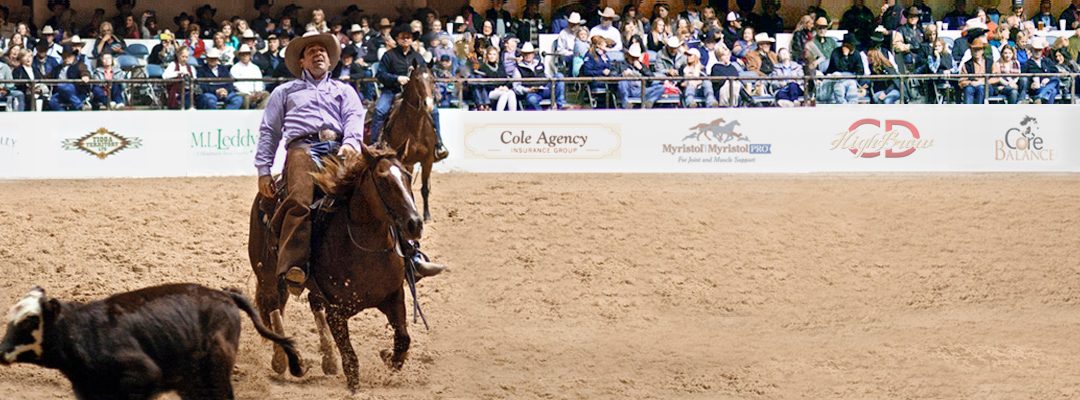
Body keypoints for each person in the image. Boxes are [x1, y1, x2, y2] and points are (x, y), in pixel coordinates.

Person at [256, 31, 445, 294]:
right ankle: (296, 265)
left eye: (322, 51)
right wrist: (264, 171)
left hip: (339, 147)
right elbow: (270, 131)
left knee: (382, 186)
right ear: (301, 61)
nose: (318, 54)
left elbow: (354, 120)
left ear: (330, 60)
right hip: (303, 149)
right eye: (311, 51)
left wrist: (350, 144)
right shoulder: (284, 92)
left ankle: (410, 255)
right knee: (299, 199)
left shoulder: (344, 90)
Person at [371, 25, 448, 159]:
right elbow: (380, 74)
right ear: (397, 39)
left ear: (412, 39)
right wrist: (396, 78)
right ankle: (375, 144)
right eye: (403, 36)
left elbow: (425, 75)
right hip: (392, 90)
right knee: (380, 110)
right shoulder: (388, 56)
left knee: (434, 111)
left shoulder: (418, 57)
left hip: (415, 95)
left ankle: (438, 143)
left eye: (409, 37)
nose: (406, 39)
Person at [515, 42, 566, 110]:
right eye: (525, 54)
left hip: (545, 88)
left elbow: (546, 75)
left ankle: (560, 105)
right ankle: (541, 115)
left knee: (559, 76)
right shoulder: (518, 68)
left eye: (530, 53)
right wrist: (528, 90)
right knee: (532, 99)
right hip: (532, 92)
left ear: (533, 54)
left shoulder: (540, 63)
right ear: (522, 55)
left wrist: (550, 79)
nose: (528, 55)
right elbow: (516, 87)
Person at [615, 43, 664, 108]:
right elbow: (612, 75)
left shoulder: (642, 66)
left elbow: (651, 77)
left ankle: (650, 102)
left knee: (660, 88)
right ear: (628, 55)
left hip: (640, 89)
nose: (634, 59)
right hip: (628, 89)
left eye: (636, 57)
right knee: (622, 82)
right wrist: (622, 75)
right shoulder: (619, 65)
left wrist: (641, 69)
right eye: (632, 57)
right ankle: (625, 102)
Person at [473, 46, 517, 111]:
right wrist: (496, 88)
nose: (492, 56)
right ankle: (498, 114)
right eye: (490, 54)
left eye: (494, 54)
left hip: (502, 88)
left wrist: (505, 87)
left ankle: (513, 114)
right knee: (504, 94)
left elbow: (507, 79)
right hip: (490, 91)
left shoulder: (500, 66)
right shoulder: (483, 67)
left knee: (511, 92)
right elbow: (484, 83)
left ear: (497, 56)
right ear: (487, 55)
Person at [825, 34, 865, 103]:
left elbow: (860, 70)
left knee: (852, 87)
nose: (853, 47)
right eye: (851, 45)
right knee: (839, 89)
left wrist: (856, 78)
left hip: (851, 78)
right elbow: (839, 68)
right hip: (836, 78)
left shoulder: (856, 54)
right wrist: (845, 57)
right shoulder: (836, 52)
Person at [48, 46, 90, 111]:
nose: (67, 58)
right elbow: (48, 77)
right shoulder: (57, 68)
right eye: (64, 56)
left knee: (64, 87)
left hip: (76, 90)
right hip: (60, 92)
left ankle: (79, 106)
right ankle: (64, 115)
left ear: (74, 56)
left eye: (69, 56)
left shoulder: (79, 65)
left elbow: (84, 71)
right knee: (52, 101)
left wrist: (85, 76)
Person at [231, 44, 269, 109]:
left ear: (250, 55)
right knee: (246, 97)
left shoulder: (255, 67)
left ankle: (258, 112)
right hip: (242, 93)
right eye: (243, 54)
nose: (245, 56)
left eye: (247, 54)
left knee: (267, 94)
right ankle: (245, 116)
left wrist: (258, 91)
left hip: (255, 92)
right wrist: (249, 93)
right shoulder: (234, 68)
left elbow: (259, 81)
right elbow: (237, 85)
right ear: (239, 55)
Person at [1023, 37, 1059, 103]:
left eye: (1039, 50)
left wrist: (1048, 79)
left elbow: (1055, 71)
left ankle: (1040, 96)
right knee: (1053, 91)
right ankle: (1042, 99)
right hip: (1037, 88)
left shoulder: (1047, 61)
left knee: (1055, 80)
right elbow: (1023, 78)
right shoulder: (1027, 64)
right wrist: (1030, 85)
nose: (1037, 52)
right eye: (1035, 50)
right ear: (1031, 50)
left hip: (1048, 84)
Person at [893, 7, 926, 73]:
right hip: (908, 61)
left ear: (918, 18)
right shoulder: (901, 29)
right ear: (907, 17)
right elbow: (896, 46)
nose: (913, 18)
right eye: (911, 16)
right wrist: (910, 46)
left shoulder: (921, 30)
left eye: (915, 16)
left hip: (922, 61)